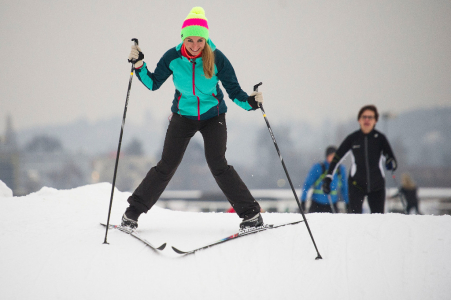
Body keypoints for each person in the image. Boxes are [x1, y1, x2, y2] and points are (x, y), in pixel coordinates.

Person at [121, 7, 264, 230]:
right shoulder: (172, 57)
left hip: (213, 115)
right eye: (190, 40)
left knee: (218, 164)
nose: (195, 46)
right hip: (183, 115)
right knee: (166, 166)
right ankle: (132, 214)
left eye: (200, 40)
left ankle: (251, 215)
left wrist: (252, 103)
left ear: (206, 40)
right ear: (183, 38)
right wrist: (139, 65)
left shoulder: (217, 58)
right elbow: (153, 83)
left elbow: (234, 92)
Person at [322, 105, 397, 214]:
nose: (367, 120)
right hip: (356, 185)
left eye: (370, 117)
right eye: (364, 117)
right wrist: (328, 177)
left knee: (378, 219)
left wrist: (390, 163)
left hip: (377, 186)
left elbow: (392, 159)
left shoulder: (380, 138)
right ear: (359, 120)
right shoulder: (353, 138)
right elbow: (337, 158)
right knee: (355, 220)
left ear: (375, 120)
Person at [300, 146, 349, 213]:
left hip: (333, 203)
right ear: (327, 156)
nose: (333, 158)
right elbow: (307, 184)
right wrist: (303, 201)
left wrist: (347, 203)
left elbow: (344, 187)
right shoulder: (318, 167)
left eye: (335, 156)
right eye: (331, 155)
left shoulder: (340, 169)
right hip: (317, 204)